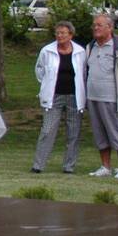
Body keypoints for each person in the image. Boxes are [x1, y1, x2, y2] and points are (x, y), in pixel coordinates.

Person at [85, 13, 118, 180]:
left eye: (99, 25)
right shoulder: (91, 47)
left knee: (117, 132)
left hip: (113, 99)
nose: (96, 28)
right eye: (94, 25)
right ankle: (105, 166)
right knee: (100, 134)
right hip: (93, 98)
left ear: (110, 27)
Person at [31, 21, 85, 174]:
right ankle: (38, 165)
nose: (60, 36)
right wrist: (47, 84)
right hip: (53, 97)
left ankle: (69, 166)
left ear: (71, 35)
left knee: (73, 132)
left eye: (63, 33)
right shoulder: (47, 51)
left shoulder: (80, 52)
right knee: (47, 130)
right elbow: (39, 70)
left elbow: (83, 74)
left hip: (74, 97)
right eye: (58, 33)